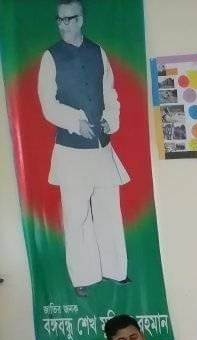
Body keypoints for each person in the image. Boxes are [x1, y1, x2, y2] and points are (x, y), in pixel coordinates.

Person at [38, 0, 130, 297]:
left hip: (101, 149)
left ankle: (115, 270)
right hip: (71, 153)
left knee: (109, 211)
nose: (63, 24)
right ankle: (83, 276)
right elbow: (47, 103)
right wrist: (75, 122)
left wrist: (110, 119)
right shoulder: (50, 57)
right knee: (76, 217)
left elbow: (109, 92)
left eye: (69, 19)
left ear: (81, 20)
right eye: (59, 19)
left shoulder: (98, 51)